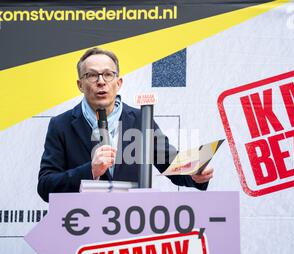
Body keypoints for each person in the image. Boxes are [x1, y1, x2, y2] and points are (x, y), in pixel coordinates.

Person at [37, 47, 214, 202]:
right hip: (81, 226)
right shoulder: (61, 125)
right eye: (91, 75)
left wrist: (196, 173)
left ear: (118, 83)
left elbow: (171, 163)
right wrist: (90, 171)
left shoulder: (141, 120)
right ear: (80, 85)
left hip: (131, 228)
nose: (100, 81)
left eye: (108, 74)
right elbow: (45, 186)